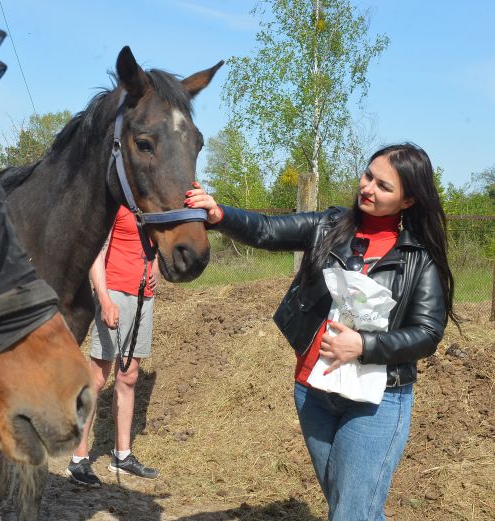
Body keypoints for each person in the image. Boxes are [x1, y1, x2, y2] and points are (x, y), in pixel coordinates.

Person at [186, 143, 456, 520]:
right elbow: (266, 230)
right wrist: (219, 214)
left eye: (383, 186)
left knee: (350, 512)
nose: (368, 188)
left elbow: (428, 333)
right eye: (368, 176)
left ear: (409, 200)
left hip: (377, 400)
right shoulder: (328, 226)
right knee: (349, 506)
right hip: (313, 391)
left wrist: (363, 344)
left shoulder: (418, 257)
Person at [65, 205, 160, 487]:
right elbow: (97, 251)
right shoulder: (116, 204)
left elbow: (161, 244)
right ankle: (78, 459)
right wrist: (104, 299)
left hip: (145, 296)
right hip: (115, 293)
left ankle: (122, 454)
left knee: (128, 377)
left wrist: (156, 265)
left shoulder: (155, 203)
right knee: (97, 378)